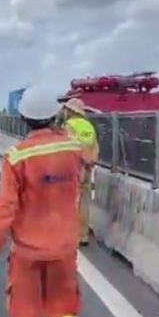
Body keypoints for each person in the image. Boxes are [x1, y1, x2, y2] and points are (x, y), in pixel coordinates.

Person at [0, 88, 84, 317]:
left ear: (24, 118)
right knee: (64, 313)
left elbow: (5, 211)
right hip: (63, 248)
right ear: (55, 115)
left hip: (27, 252)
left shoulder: (16, 158)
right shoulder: (73, 149)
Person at [60, 97, 99, 246]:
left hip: (74, 168)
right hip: (88, 168)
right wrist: (90, 161)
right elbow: (95, 146)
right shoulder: (89, 126)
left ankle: (72, 237)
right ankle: (83, 236)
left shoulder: (68, 125)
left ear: (70, 111)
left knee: (70, 202)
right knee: (84, 202)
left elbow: (70, 146)